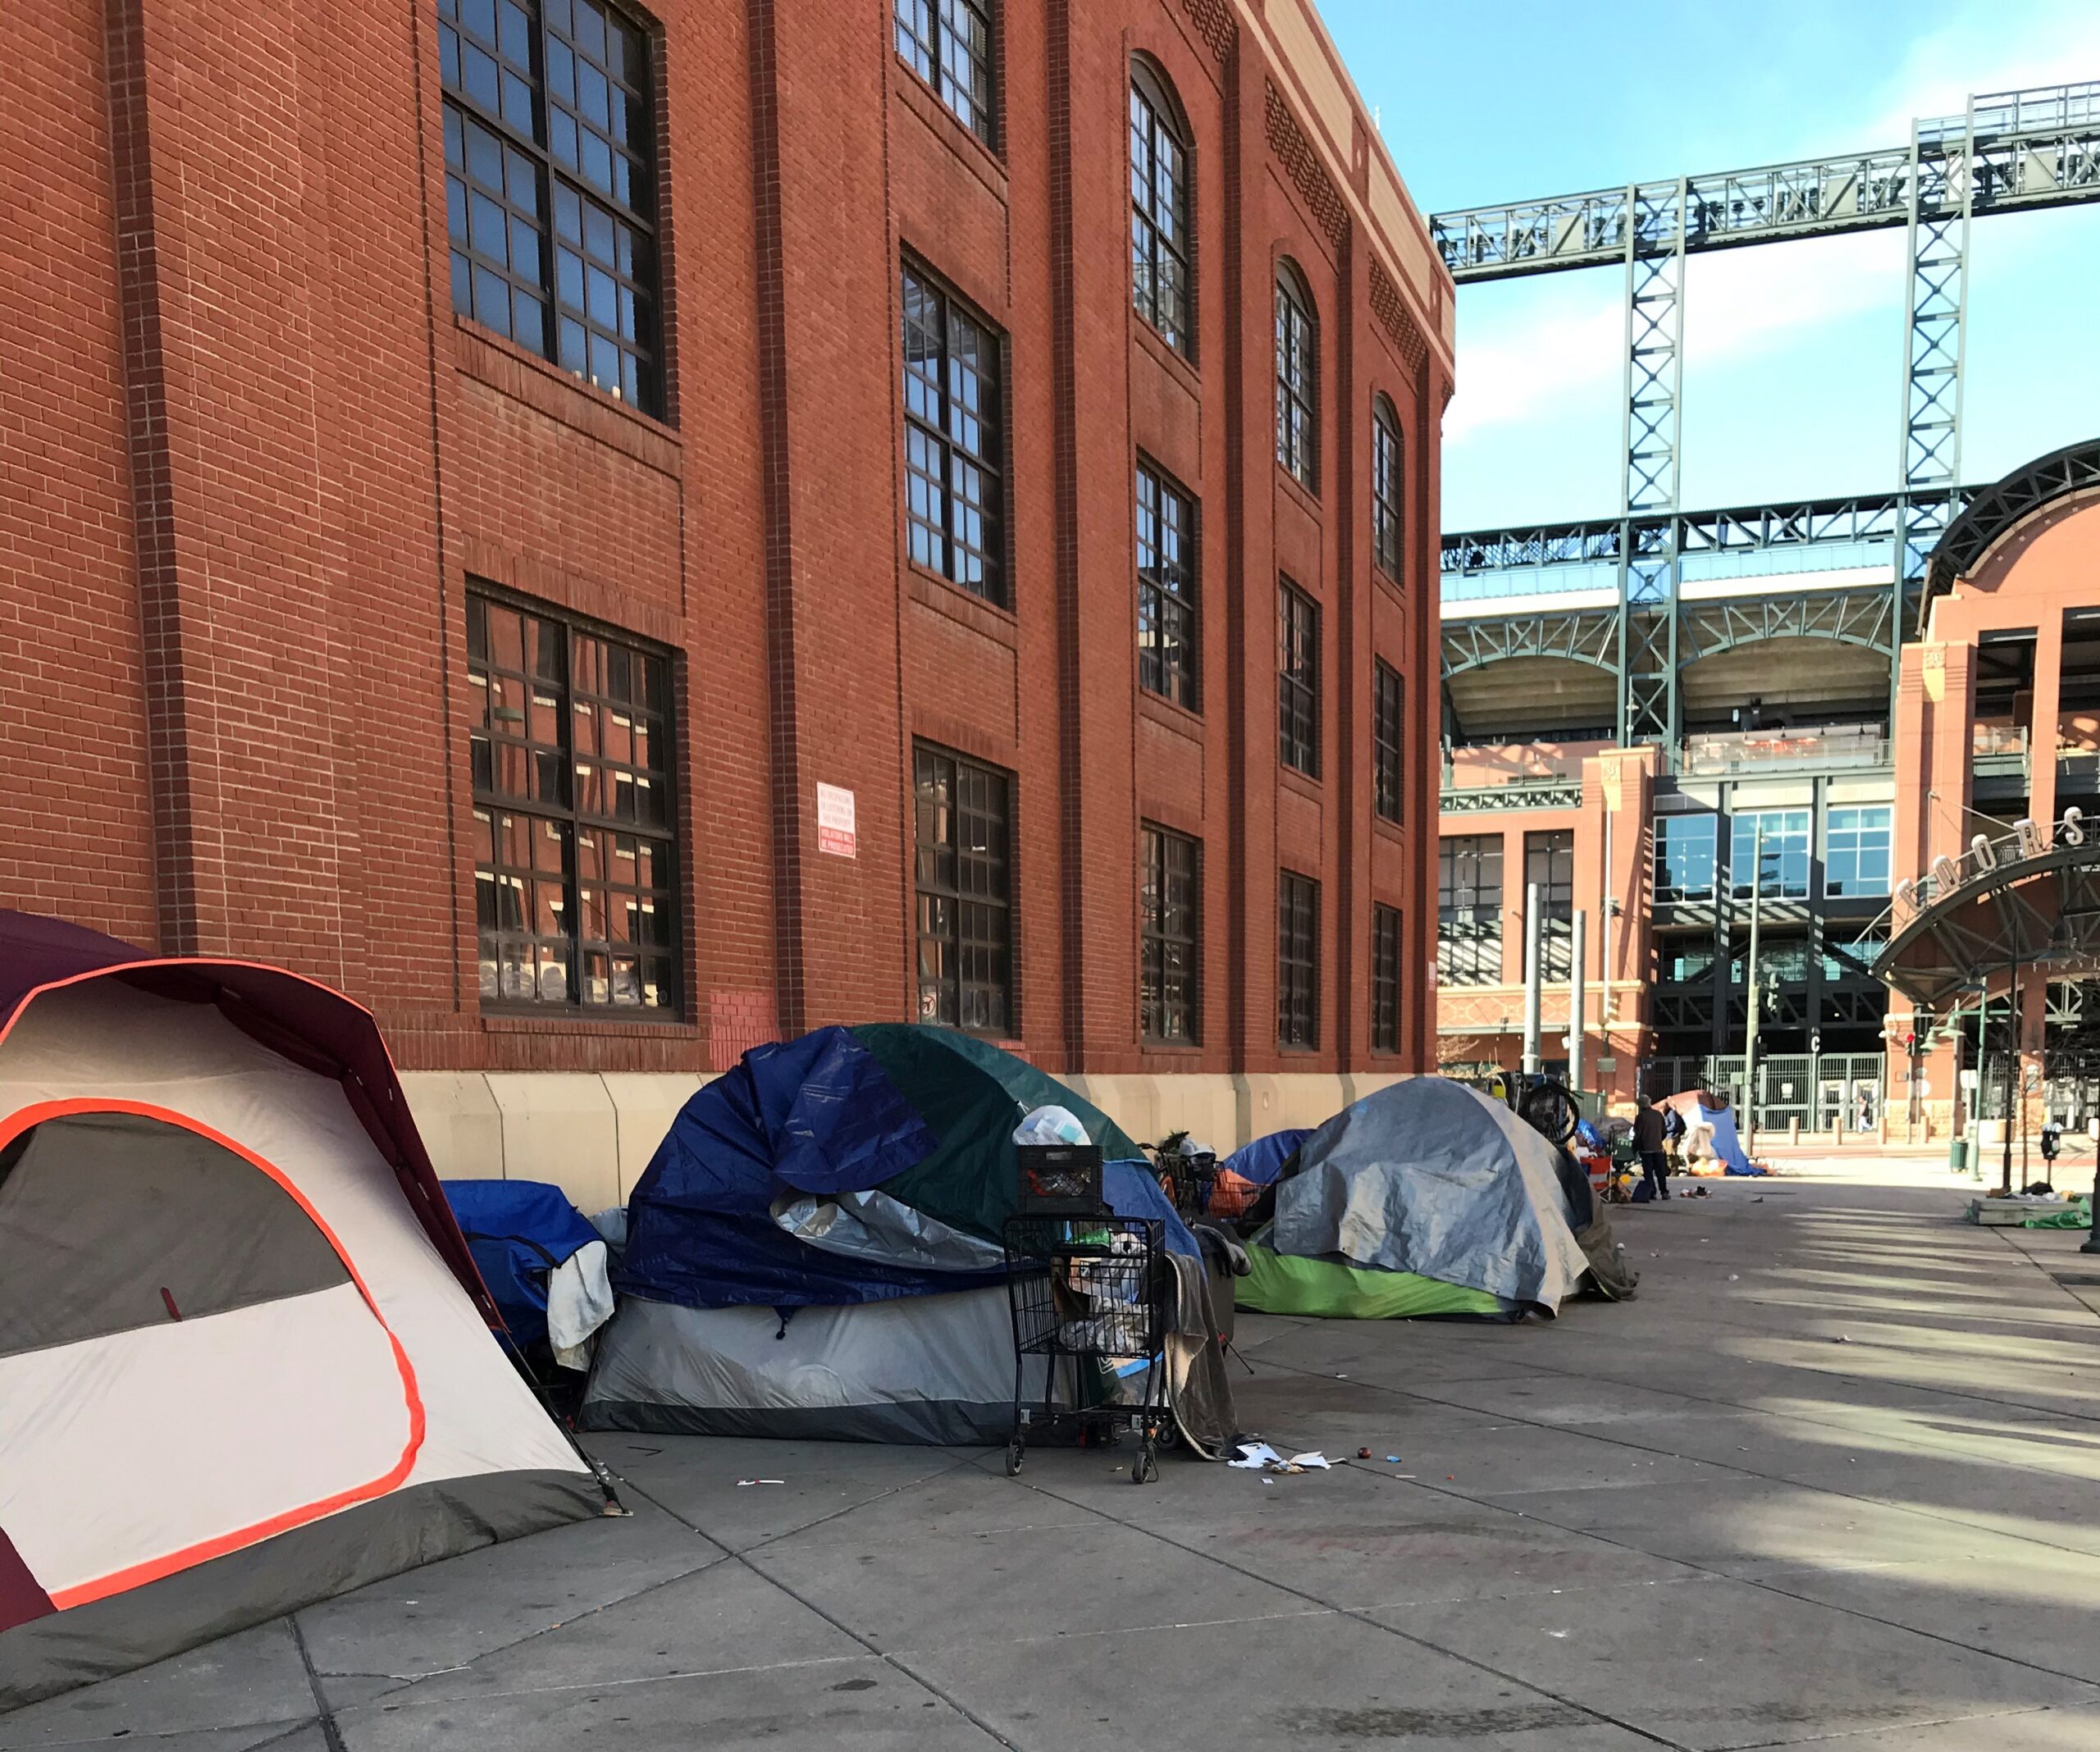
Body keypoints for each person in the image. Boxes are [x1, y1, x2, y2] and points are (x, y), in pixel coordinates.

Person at [1632, 1094, 1671, 1202]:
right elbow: (1664, 1132)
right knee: (1660, 1171)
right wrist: (1658, 1140)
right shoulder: (1658, 1115)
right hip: (1658, 1148)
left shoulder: (1640, 1117)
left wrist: (1635, 1148)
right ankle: (1664, 1192)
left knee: (1648, 1172)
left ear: (1640, 1105)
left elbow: (1637, 1135)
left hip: (1646, 1149)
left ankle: (1651, 1192)